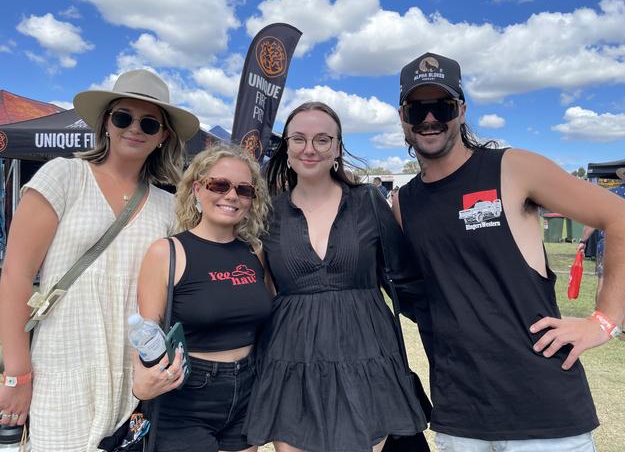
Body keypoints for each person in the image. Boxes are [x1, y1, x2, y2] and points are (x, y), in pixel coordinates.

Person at [392, 52, 625, 451]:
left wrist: (604, 321)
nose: (429, 119)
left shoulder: (513, 169)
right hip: (460, 412)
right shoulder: (403, 204)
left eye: (441, 106)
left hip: (543, 410)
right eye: (418, 108)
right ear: (403, 117)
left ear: (461, 110)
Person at [0, 69, 199, 450]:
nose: (134, 128)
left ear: (164, 136)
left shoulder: (169, 206)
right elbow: (16, 276)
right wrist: (16, 374)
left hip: (134, 375)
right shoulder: (64, 176)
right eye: (123, 117)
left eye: (149, 123)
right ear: (106, 122)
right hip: (61, 364)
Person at [243, 102, 427, 452]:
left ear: (338, 148)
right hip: (290, 358)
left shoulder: (369, 202)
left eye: (322, 139)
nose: (309, 148)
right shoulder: (267, 213)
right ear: (287, 147)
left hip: (366, 354)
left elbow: (405, 282)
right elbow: (258, 289)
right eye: (298, 139)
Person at [132, 145, 272, 452]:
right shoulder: (167, 252)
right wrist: (141, 380)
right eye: (219, 185)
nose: (231, 195)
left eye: (243, 189)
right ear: (197, 189)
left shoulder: (255, 253)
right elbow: (146, 330)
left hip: (248, 390)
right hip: (187, 394)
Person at [577, 162, 625, 343]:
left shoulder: (609, 195)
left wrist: (582, 241)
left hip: (607, 243)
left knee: (603, 280)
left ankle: (598, 322)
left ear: (624, 176)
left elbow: (592, 221)